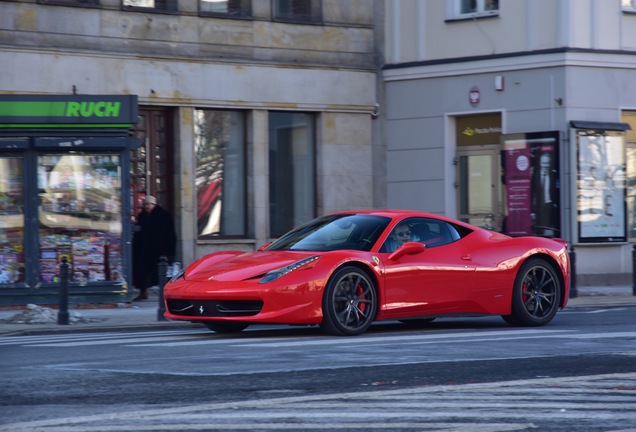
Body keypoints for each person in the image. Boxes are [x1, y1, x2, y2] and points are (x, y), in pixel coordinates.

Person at [132, 195, 177, 301]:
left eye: (149, 204)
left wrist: (170, 252)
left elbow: (170, 234)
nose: (147, 206)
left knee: (162, 274)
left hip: (159, 250)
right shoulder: (142, 216)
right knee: (142, 272)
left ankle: (166, 295)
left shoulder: (163, 215)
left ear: (154, 204)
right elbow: (139, 233)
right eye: (146, 204)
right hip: (144, 250)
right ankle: (143, 292)